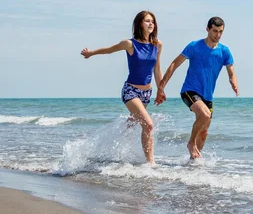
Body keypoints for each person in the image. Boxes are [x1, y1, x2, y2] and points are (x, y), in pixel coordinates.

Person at [81, 10, 163, 165]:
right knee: (148, 124)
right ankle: (151, 164)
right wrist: (91, 53)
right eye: (147, 21)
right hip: (131, 91)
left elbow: (157, 69)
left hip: (146, 93)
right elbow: (109, 50)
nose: (151, 24)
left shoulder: (157, 45)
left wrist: (161, 90)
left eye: (152, 21)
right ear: (140, 23)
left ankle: (116, 142)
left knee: (134, 125)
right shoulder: (130, 44)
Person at [155, 16, 238, 159]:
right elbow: (174, 64)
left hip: (208, 96)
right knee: (205, 115)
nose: (217, 35)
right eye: (214, 31)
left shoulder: (225, 51)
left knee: (204, 132)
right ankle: (191, 143)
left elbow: (231, 72)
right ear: (207, 29)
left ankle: (194, 163)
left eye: (220, 32)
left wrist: (233, 81)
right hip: (190, 90)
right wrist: (161, 87)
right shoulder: (194, 46)